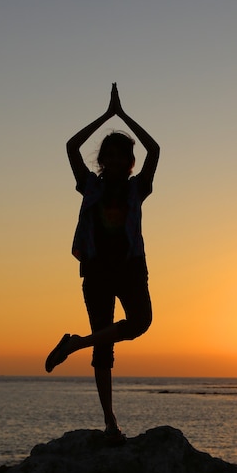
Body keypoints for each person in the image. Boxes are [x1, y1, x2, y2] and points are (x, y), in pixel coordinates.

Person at [45, 84, 160, 443]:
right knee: (104, 351)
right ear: (102, 160)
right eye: (107, 155)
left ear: (129, 163)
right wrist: (105, 117)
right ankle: (110, 422)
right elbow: (70, 146)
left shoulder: (137, 188)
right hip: (96, 272)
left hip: (129, 269)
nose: (113, 161)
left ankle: (74, 344)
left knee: (141, 322)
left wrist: (123, 116)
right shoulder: (88, 186)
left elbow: (154, 149)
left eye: (121, 156)